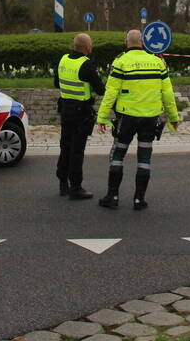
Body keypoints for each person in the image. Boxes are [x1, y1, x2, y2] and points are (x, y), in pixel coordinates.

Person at [96, 29, 180, 211]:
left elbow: (111, 92)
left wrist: (102, 116)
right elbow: (168, 93)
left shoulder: (121, 62)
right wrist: (174, 117)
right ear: (143, 42)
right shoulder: (157, 63)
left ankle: (113, 196)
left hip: (127, 117)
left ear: (126, 43)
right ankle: (139, 199)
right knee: (144, 158)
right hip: (150, 118)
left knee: (119, 154)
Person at [53, 33, 104, 200]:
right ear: (88, 48)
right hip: (81, 113)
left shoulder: (63, 60)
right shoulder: (87, 65)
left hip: (65, 110)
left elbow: (56, 83)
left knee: (65, 146)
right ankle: (76, 187)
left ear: (74, 46)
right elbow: (100, 89)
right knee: (77, 150)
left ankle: (63, 184)